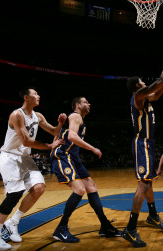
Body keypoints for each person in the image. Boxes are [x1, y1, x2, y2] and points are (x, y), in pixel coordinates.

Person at [0, 87, 66, 250]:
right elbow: (26, 141)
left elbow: (54, 131)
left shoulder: (38, 116)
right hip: (10, 157)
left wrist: (60, 124)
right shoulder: (16, 115)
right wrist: (50, 145)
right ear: (26, 98)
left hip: (25, 158)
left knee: (39, 188)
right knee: (14, 194)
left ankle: (12, 223)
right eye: (35, 93)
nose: (38, 95)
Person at [51, 96, 122, 243]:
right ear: (77, 105)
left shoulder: (77, 119)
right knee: (79, 190)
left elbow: (61, 133)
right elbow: (71, 136)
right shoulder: (76, 116)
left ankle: (105, 226)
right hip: (63, 156)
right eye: (85, 102)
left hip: (73, 157)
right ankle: (61, 228)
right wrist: (93, 148)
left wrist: (53, 142)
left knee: (91, 187)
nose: (89, 104)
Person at [122, 54, 163, 248]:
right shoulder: (137, 96)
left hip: (148, 144)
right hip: (142, 143)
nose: (144, 83)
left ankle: (152, 215)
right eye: (142, 81)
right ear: (138, 86)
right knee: (143, 185)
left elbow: (158, 92)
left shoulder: (146, 100)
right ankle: (130, 228)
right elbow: (158, 81)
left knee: (148, 182)